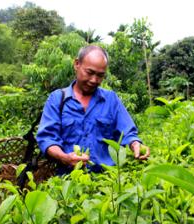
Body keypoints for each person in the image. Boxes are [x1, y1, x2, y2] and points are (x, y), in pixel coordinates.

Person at [36, 45, 150, 174]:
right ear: (77, 64)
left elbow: (128, 133)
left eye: (100, 75)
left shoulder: (111, 100)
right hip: (68, 181)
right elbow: (47, 138)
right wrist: (65, 158)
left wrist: (136, 144)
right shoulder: (57, 99)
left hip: (106, 181)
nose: (94, 80)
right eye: (89, 73)